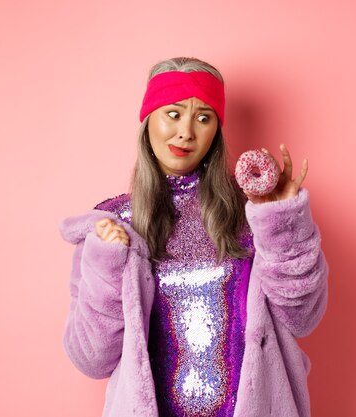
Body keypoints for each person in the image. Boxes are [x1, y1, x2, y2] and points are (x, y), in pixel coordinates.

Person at [59, 57, 329, 417]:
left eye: (203, 117)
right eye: (173, 113)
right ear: (148, 119)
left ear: (216, 129)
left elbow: (303, 317)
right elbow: (91, 358)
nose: (186, 131)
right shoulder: (113, 224)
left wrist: (280, 221)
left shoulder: (250, 212)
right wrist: (107, 263)